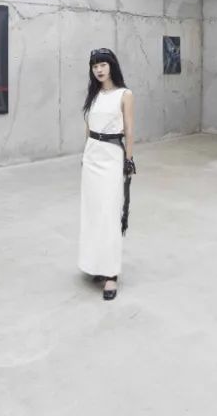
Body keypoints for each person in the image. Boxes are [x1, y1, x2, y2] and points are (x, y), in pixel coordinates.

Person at [78, 47, 136, 301]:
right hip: (92, 155)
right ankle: (96, 265)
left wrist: (129, 160)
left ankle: (111, 273)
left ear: (112, 66)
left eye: (103, 64)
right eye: (95, 66)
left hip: (112, 156)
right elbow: (88, 127)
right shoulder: (93, 95)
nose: (99, 70)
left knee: (110, 214)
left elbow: (130, 130)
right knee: (92, 213)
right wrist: (85, 155)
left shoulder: (125, 94)